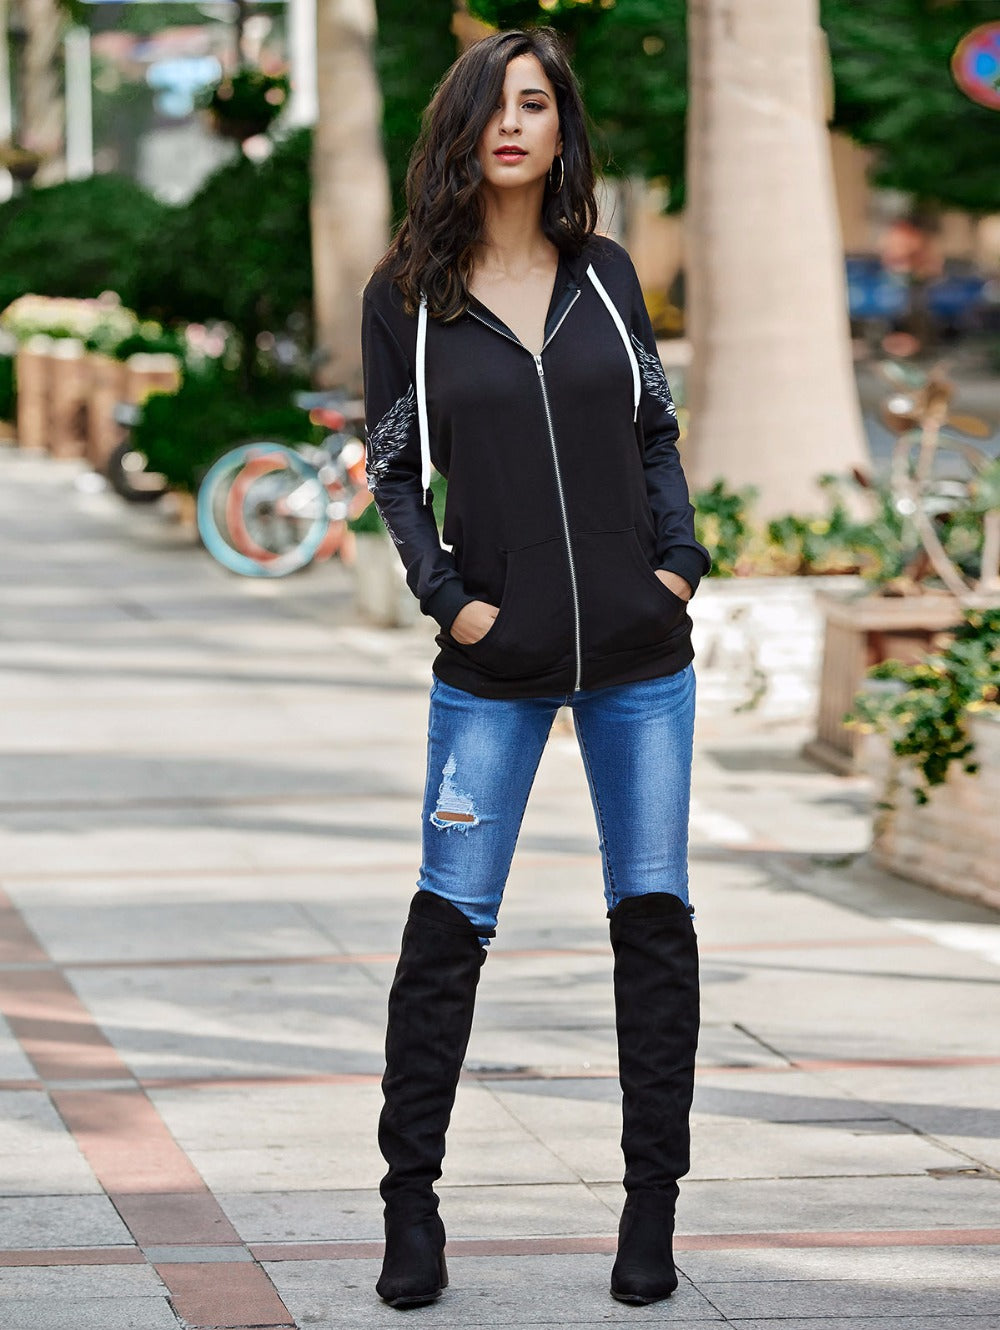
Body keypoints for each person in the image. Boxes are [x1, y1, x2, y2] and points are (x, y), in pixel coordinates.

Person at [359, 25, 711, 1312]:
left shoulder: (606, 274)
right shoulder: (408, 293)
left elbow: (654, 429)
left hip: (639, 658)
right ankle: (410, 1206)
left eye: (535, 103)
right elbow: (394, 467)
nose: (513, 124)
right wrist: (449, 602)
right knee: (447, 927)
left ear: (562, 129)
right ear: (462, 127)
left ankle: (649, 1209)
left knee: (652, 924)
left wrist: (678, 561)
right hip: (491, 668)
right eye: (493, 104)